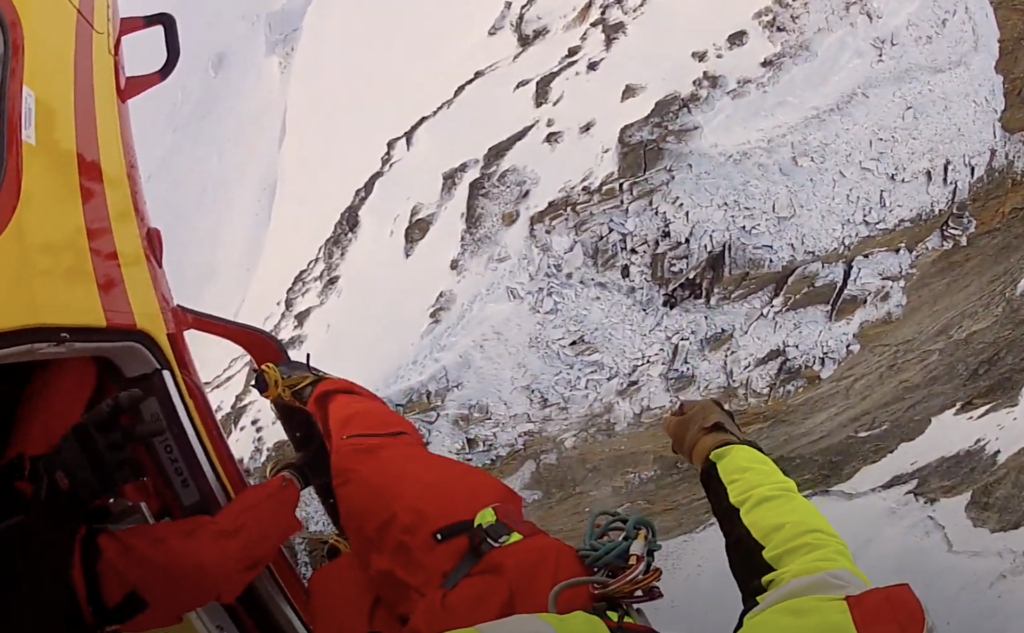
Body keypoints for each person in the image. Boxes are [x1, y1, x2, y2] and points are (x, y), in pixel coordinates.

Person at [258, 364, 932, 633]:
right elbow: (796, 550)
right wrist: (717, 442)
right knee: (424, 531)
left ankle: (325, 406)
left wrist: (716, 440)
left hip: (514, 597)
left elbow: (797, 551)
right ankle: (340, 554)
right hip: (527, 599)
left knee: (416, 515)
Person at [0, 358, 304, 633]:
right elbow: (216, 559)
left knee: (77, 366)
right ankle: (297, 476)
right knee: (207, 562)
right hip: (68, 586)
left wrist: (54, 496)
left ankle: (295, 477)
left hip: (23, 516)